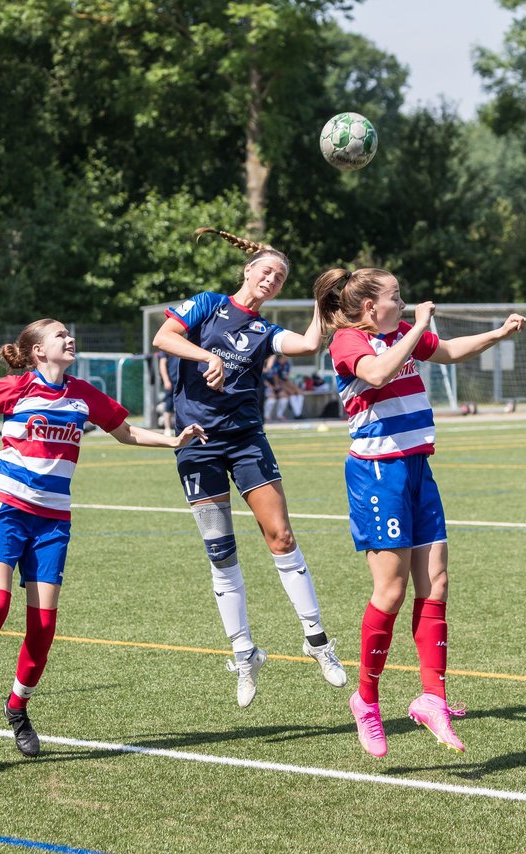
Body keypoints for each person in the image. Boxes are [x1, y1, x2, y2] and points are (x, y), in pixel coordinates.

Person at [0, 319, 205, 756]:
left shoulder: (83, 394)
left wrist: (173, 440)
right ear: (38, 352)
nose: (69, 338)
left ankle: (17, 707)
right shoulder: (16, 388)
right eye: (59, 335)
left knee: (43, 623)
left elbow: (125, 432)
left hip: (53, 520)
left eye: (68, 333)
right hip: (5, 506)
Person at [313, 265, 526, 758]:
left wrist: (498, 332)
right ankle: (366, 701)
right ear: (371, 306)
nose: (404, 302)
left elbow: (449, 352)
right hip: (378, 475)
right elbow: (377, 372)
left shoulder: (397, 334)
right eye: (396, 295)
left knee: (437, 583)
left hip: (417, 470)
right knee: (390, 590)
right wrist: (416, 327)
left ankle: (433, 697)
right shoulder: (348, 340)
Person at [151, 227, 347, 707]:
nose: (272, 279)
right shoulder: (206, 304)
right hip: (197, 444)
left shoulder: (263, 331)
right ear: (248, 270)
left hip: (245, 440)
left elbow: (305, 345)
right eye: (267, 270)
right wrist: (205, 357)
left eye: (279, 277)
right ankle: (244, 653)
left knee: (280, 536)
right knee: (221, 553)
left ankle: (317, 640)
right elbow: (164, 337)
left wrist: (323, 303)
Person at [263, 353, 304, 421]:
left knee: (285, 397)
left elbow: (285, 378)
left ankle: (281, 415)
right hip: (268, 385)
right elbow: (272, 378)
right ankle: (265, 416)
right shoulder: (271, 364)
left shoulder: (286, 364)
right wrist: (274, 387)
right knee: (272, 399)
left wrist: (291, 386)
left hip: (279, 384)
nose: (286, 358)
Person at [157, 351, 178, 436]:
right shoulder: (167, 346)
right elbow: (162, 365)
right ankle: (167, 428)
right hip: (172, 381)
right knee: (168, 406)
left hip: (184, 382)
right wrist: (166, 380)